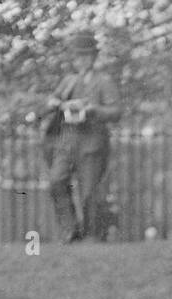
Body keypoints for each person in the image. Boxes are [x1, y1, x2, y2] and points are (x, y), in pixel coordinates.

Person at [41, 29, 121, 242]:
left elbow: (116, 112)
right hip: (67, 141)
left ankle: (93, 236)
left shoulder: (104, 81)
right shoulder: (69, 81)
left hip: (92, 142)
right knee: (56, 181)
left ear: (93, 57)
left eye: (86, 55)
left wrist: (93, 110)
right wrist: (62, 104)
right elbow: (50, 102)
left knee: (89, 193)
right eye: (78, 56)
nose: (81, 60)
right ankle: (70, 230)